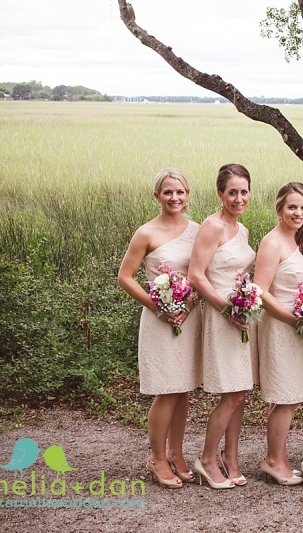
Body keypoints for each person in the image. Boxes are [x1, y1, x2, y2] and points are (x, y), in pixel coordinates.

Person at [117, 168, 202, 489]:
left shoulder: (197, 231)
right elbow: (125, 277)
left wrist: (189, 304)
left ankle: (176, 453)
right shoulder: (146, 233)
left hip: (189, 317)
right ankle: (156, 457)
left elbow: (200, 274)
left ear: (187, 194)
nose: (174, 197)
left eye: (180, 192)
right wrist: (158, 307)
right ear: (157, 196)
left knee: (183, 389)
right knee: (167, 391)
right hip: (160, 319)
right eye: (168, 192)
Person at [188, 164, 256, 489]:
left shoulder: (242, 231)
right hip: (222, 315)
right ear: (220, 193)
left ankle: (231, 457)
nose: (239, 198)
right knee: (231, 394)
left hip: (242, 316)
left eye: (244, 191)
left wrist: (246, 302)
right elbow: (196, 275)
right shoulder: (212, 226)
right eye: (232, 192)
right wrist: (225, 308)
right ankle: (206, 459)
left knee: (240, 393)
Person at [254, 182, 303, 486]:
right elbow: (261, 291)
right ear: (280, 208)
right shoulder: (272, 242)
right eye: (292, 207)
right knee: (286, 398)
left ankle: (279, 457)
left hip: (299, 327)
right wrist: (293, 320)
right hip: (281, 327)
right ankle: (273, 461)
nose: (299, 213)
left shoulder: (297, 239)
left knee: (287, 397)